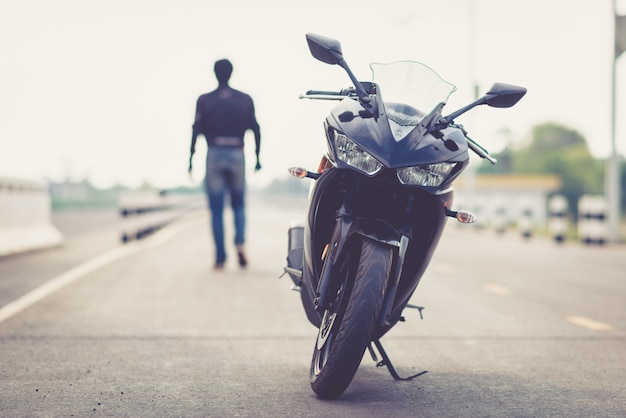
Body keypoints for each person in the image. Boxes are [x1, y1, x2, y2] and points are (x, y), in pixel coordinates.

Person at [189, 58, 261, 270]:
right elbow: (256, 128)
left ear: (215, 73)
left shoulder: (204, 100)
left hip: (214, 152)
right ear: (231, 73)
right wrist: (257, 157)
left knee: (217, 209)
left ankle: (220, 256)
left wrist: (191, 158)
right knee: (238, 204)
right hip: (237, 151)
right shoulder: (245, 99)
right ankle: (239, 242)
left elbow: (196, 129)